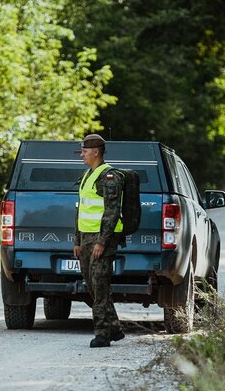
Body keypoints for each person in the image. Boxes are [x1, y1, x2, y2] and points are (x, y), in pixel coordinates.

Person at [73, 134, 125, 348]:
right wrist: (77, 240)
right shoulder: (88, 175)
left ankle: (102, 333)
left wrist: (102, 242)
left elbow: (111, 212)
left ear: (96, 151)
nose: (82, 155)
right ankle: (115, 328)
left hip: (101, 240)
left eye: (84, 151)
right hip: (86, 238)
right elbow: (81, 209)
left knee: (100, 285)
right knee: (93, 287)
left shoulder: (109, 176)